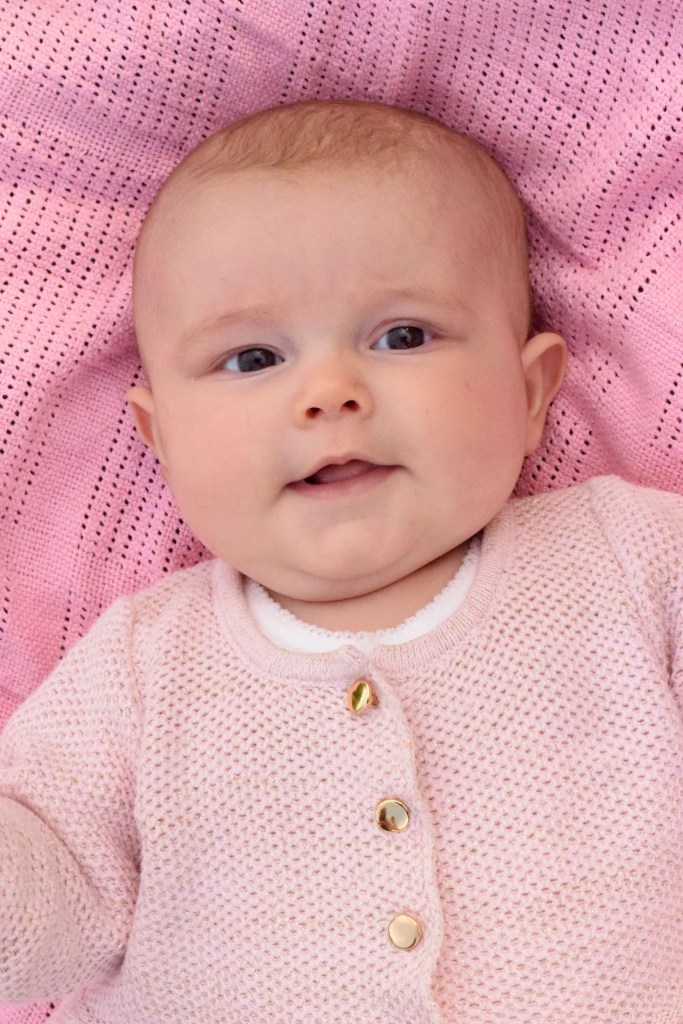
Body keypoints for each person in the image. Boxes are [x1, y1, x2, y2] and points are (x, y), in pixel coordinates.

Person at [1, 99, 681, 1023]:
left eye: (401, 337)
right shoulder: (144, 667)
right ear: (162, 441)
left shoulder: (624, 562)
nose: (328, 393)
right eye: (251, 358)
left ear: (528, 394)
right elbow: (47, 892)